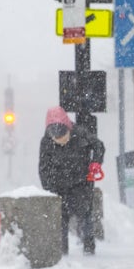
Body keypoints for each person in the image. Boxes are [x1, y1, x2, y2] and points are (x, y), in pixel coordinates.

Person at [39, 106, 105, 255]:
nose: (61, 142)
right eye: (57, 140)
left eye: (64, 137)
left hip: (81, 183)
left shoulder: (81, 133)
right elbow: (43, 168)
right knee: (60, 221)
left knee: (85, 216)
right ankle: (62, 254)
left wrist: (96, 162)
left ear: (69, 129)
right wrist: (49, 190)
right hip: (59, 187)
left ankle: (89, 250)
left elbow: (99, 146)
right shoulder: (46, 142)